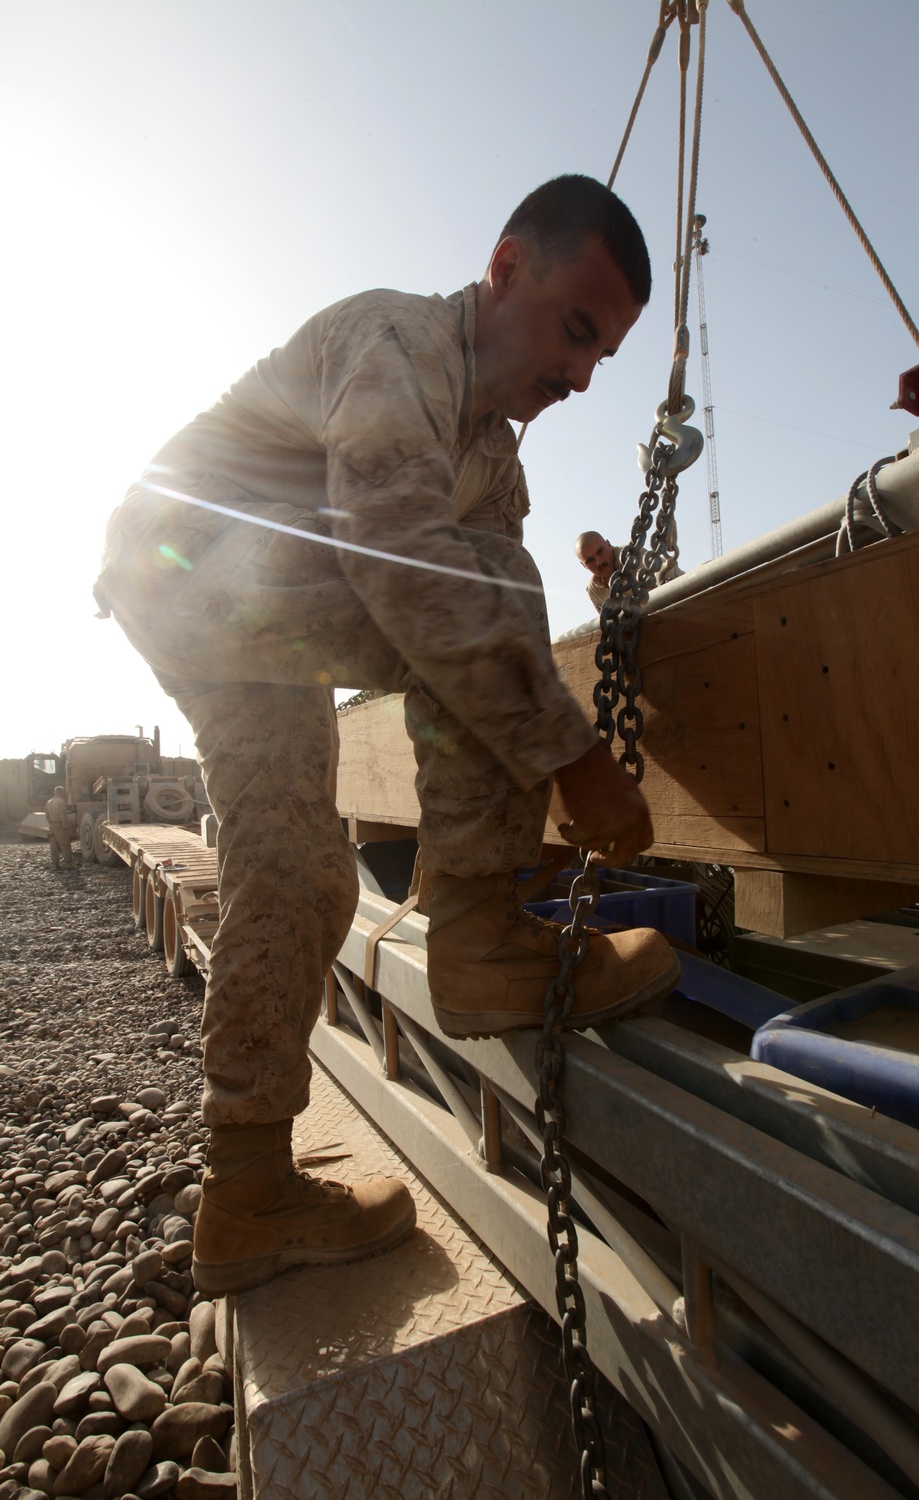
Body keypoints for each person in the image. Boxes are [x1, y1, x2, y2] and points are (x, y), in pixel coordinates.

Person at [94, 174, 681, 1296]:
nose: (578, 374)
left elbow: (469, 644)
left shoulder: (494, 460)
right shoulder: (398, 340)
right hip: (198, 561)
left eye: (600, 355)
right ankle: (480, 938)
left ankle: (247, 1190)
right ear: (504, 268)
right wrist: (574, 759)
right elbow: (406, 559)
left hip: (241, 609)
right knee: (486, 582)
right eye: (573, 329)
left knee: (302, 865)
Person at [575, 529, 683, 613]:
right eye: (590, 560)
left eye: (600, 552)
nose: (599, 562)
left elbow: (667, 587)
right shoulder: (594, 591)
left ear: (608, 544)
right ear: (583, 565)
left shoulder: (632, 558)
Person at [45, 786, 75, 870]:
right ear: (61, 792)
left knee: (53, 845)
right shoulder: (60, 802)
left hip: (51, 825)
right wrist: (66, 826)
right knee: (65, 843)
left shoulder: (49, 802)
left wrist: (51, 823)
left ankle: (55, 863)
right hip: (59, 825)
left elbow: (46, 815)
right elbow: (62, 814)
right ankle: (68, 863)